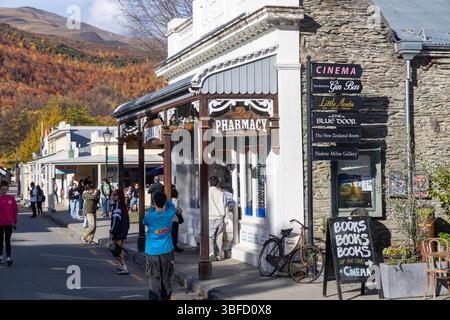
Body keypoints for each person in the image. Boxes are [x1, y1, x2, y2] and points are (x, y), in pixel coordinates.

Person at [143, 192, 176, 300]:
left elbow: (144, 221)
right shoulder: (169, 214)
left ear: (154, 202)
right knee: (166, 276)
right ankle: (166, 297)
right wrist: (165, 200)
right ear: (164, 202)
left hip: (152, 251)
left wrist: (153, 207)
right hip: (166, 250)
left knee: (153, 277)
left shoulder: (150, 216)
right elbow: (172, 206)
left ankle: (153, 298)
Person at [110, 189, 130, 275]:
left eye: (115, 195)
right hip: (123, 231)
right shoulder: (123, 206)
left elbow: (115, 221)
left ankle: (124, 267)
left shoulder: (117, 206)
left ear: (119, 197)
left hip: (117, 232)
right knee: (119, 249)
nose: (113, 196)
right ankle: (121, 266)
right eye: (113, 194)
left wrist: (112, 232)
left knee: (118, 251)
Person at [208, 176, 227, 261]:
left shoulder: (206, 192)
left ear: (209, 183)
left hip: (210, 217)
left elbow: (202, 205)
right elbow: (225, 206)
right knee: (219, 236)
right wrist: (226, 217)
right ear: (217, 183)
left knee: (210, 236)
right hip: (220, 217)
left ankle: (211, 253)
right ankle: (219, 254)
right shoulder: (221, 193)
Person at [0, 181, 18, 266]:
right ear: (0, 189)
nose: (4, 191)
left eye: (6, 189)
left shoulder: (11, 199)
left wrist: (15, 222)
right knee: (0, 240)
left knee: (7, 240)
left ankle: (8, 257)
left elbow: (15, 211)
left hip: (8, 223)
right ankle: (0, 256)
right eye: (3, 189)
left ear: (7, 189)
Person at [171, 185, 184, 253]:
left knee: (171, 233)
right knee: (174, 233)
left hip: (168, 219)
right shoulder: (175, 200)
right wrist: (180, 211)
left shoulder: (167, 199)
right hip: (174, 218)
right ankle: (174, 247)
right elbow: (176, 208)